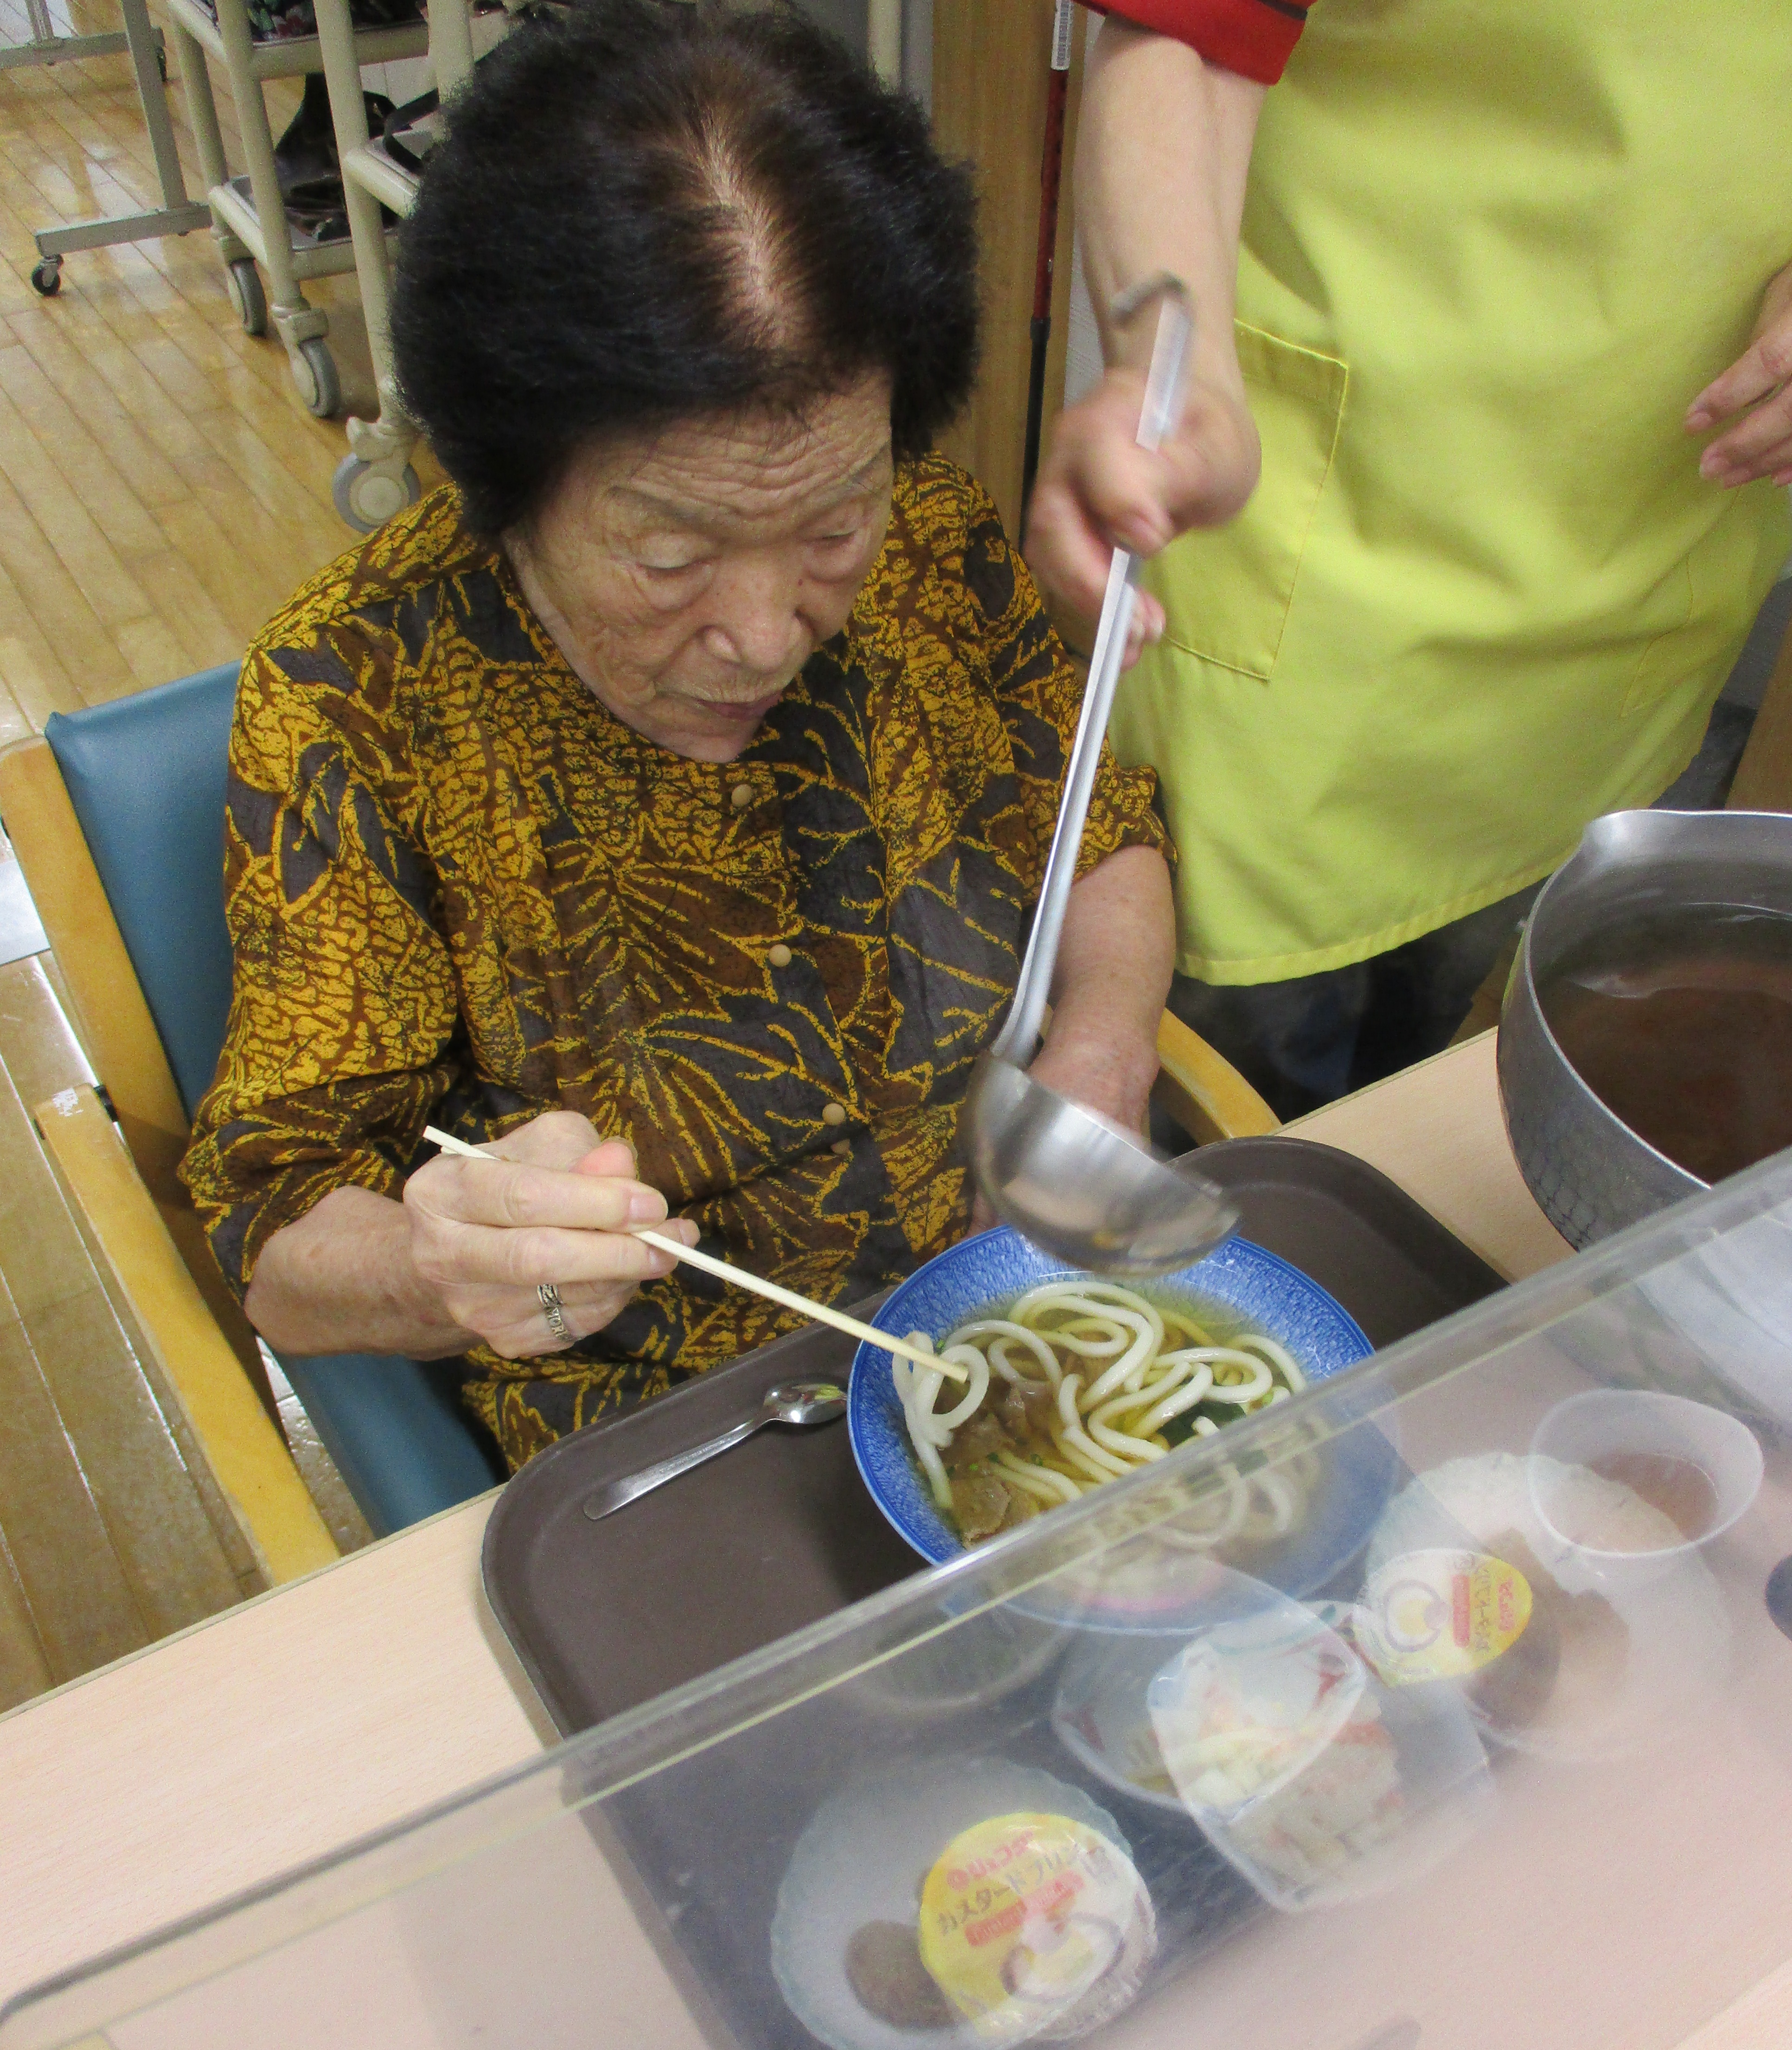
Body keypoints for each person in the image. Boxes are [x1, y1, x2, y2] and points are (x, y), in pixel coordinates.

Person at [180, 0, 1175, 1474]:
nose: (770, 632)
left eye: (834, 525)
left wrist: (1100, 1054)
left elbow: (1099, 824)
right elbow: (274, 1230)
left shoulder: (936, 544)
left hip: (1020, 1300)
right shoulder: (357, 699)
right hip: (689, 1436)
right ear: (501, 480)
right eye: (669, 557)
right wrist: (434, 1264)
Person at [1025, 0, 1792, 1119]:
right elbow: (1190, 36)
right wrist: (1170, 372)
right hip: (1322, 564)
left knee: (1445, 1074)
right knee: (1247, 1095)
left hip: (1642, 561)